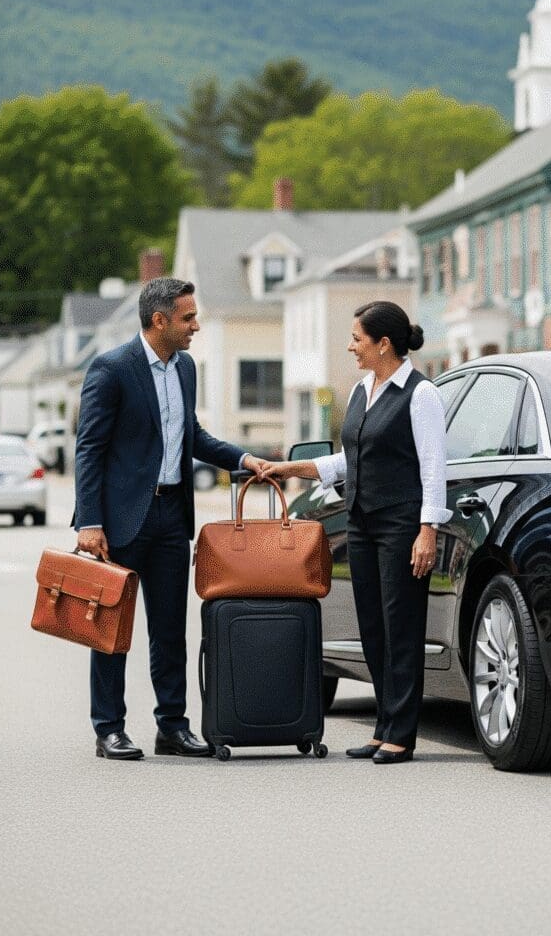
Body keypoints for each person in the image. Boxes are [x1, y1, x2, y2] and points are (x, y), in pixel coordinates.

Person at [74, 278, 272, 761]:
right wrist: (90, 521)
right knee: (112, 630)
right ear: (159, 320)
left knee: (169, 631)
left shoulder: (184, 367)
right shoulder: (112, 368)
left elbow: (193, 436)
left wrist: (245, 460)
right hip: (120, 521)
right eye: (187, 318)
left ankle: (172, 727)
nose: (196, 326)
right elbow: (89, 449)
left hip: (170, 516)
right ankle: (109, 729)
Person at [268, 301, 450, 764]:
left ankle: (402, 734)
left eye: (356, 339)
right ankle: (384, 725)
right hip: (362, 523)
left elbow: (433, 467)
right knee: (372, 625)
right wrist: (291, 467)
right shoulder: (360, 390)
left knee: (401, 626)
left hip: (403, 523)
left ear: (383, 344)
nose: (351, 346)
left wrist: (427, 529)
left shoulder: (421, 394)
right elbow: (350, 459)